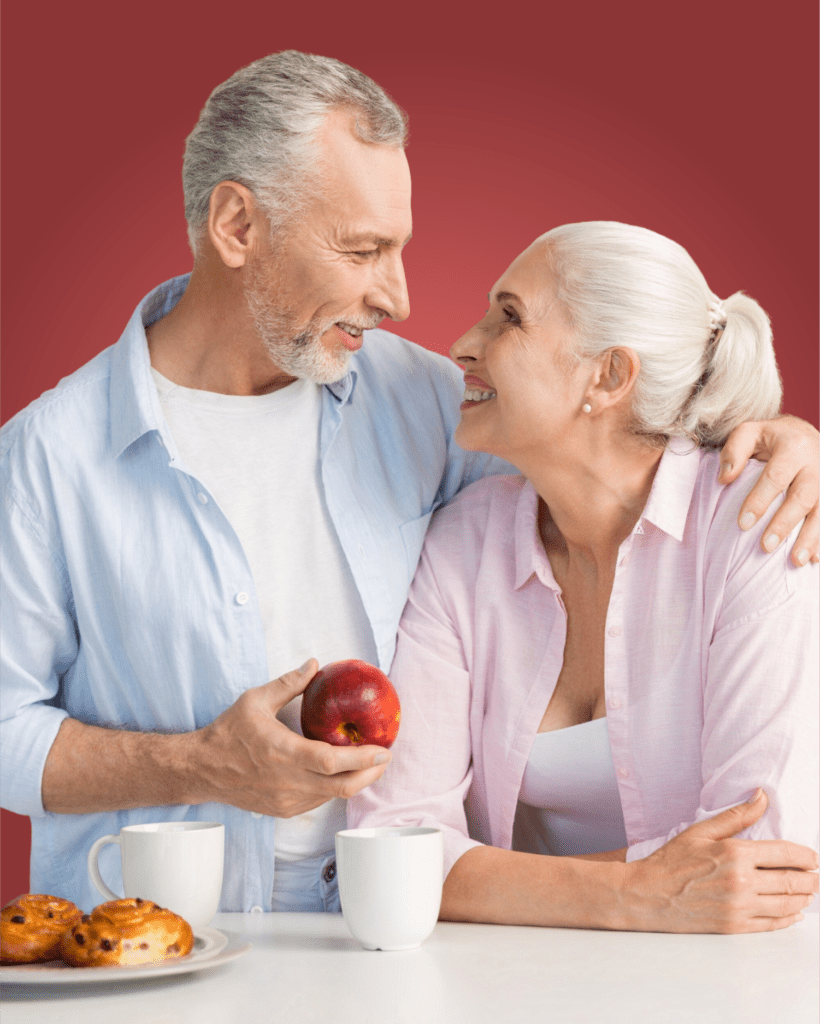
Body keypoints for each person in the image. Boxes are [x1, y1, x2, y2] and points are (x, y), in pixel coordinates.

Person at [1, 53, 817, 916]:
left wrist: (775, 437)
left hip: (393, 939)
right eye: (363, 250)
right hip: (152, 937)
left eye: (400, 248)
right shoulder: (47, 457)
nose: (398, 294)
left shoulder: (425, 402)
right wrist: (201, 763)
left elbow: (607, 459)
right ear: (238, 225)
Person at [349, 222, 819, 933]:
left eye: (509, 318)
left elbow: (761, 868)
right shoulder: (464, 544)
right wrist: (640, 894)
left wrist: (490, 881)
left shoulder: (758, 526)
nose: (462, 345)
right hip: (513, 990)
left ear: (609, 376)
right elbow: (395, 846)